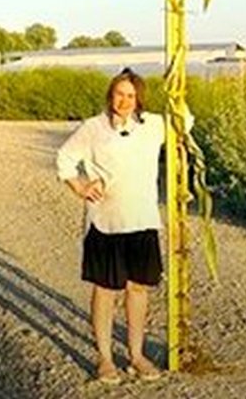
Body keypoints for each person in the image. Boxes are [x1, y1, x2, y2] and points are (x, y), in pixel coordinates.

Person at [56, 68, 170, 384]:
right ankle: (105, 359)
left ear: (139, 98)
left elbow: (184, 124)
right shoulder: (93, 127)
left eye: (131, 95)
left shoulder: (153, 125)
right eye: (119, 94)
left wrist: (178, 90)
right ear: (111, 95)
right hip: (105, 221)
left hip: (142, 219)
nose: (125, 101)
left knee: (138, 289)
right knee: (105, 291)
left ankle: (136, 355)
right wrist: (79, 186)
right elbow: (65, 158)